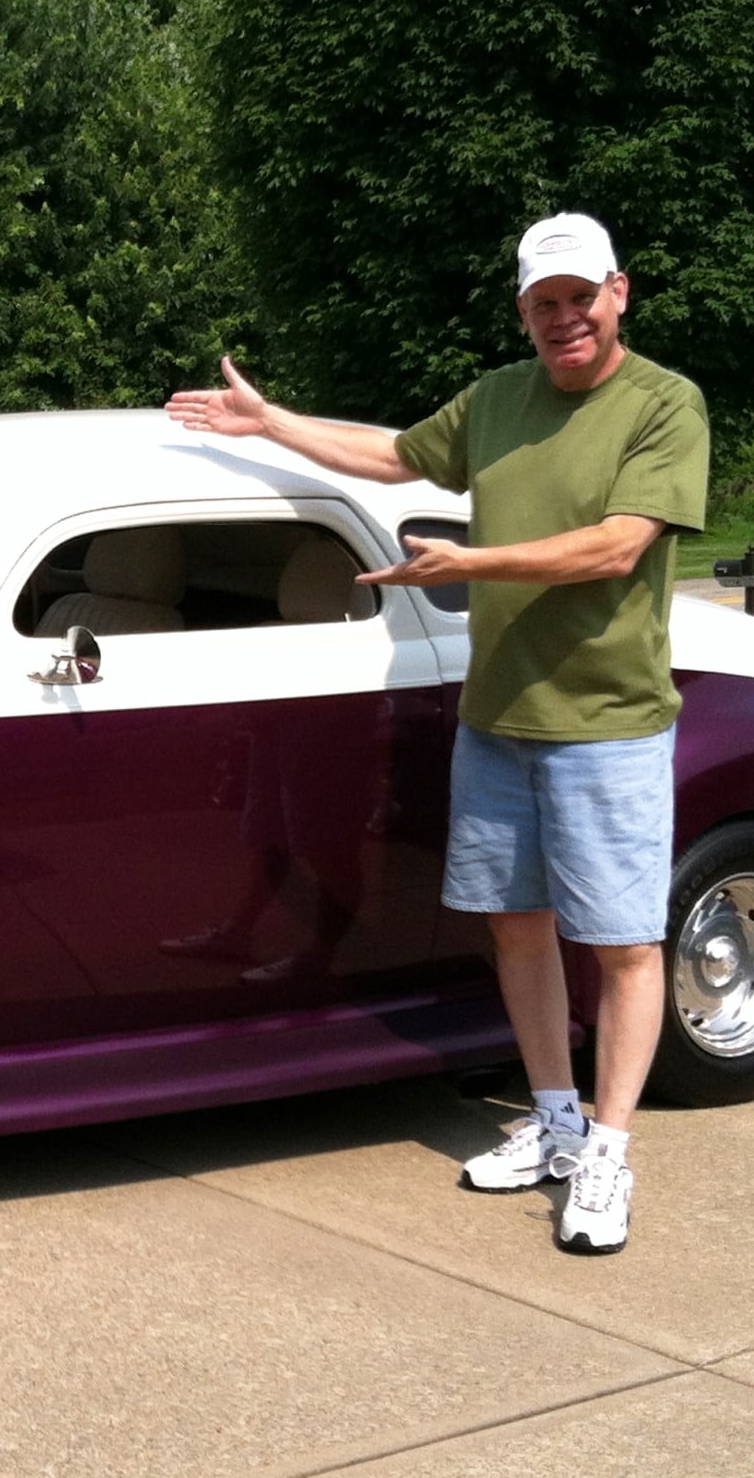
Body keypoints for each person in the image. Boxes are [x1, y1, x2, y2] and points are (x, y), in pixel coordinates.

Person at [165, 213, 708, 1254]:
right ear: (523, 310)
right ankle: (554, 1119)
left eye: (580, 297)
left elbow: (614, 547)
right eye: (543, 303)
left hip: (606, 724)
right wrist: (269, 421)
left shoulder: (663, 404)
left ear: (619, 293)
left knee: (625, 945)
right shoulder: (498, 397)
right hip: (497, 718)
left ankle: (608, 1151)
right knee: (517, 924)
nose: (564, 318)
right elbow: (392, 453)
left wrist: (469, 563)